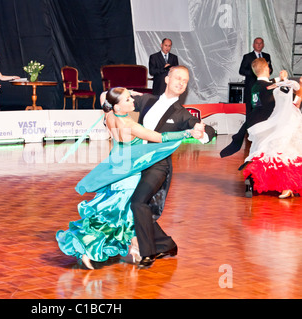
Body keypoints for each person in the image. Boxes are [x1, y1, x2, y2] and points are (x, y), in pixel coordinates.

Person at [56, 87, 204, 270]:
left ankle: (135, 246)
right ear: (117, 107)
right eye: (128, 100)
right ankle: (90, 249)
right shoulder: (130, 126)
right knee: (119, 216)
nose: (133, 101)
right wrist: (187, 133)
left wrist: (128, 92)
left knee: (117, 213)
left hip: (114, 169)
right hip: (128, 174)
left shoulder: (109, 116)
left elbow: (104, 96)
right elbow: (160, 137)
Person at [131, 65, 216, 268]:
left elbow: (210, 131)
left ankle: (147, 252)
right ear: (167, 79)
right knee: (136, 207)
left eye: (185, 81)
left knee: (137, 202)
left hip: (158, 166)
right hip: (136, 162)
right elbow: (118, 100)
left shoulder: (181, 113)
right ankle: (166, 244)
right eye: (177, 78)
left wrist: (201, 133)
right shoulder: (147, 100)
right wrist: (109, 96)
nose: (180, 83)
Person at [241, 77, 302, 199]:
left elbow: (298, 98)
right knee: (280, 151)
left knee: (286, 152)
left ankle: (288, 187)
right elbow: (297, 98)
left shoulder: (293, 87)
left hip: (291, 121)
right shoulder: (288, 86)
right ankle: (286, 187)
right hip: (285, 120)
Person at [239, 37, 273, 115]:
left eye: (260, 43)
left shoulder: (267, 56)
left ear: (263, 45)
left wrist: (269, 70)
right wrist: (255, 72)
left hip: (263, 88)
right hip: (251, 87)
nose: (259, 45)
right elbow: (241, 70)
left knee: (263, 109)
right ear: (253, 45)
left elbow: (271, 69)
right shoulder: (247, 57)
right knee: (250, 109)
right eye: (257, 43)